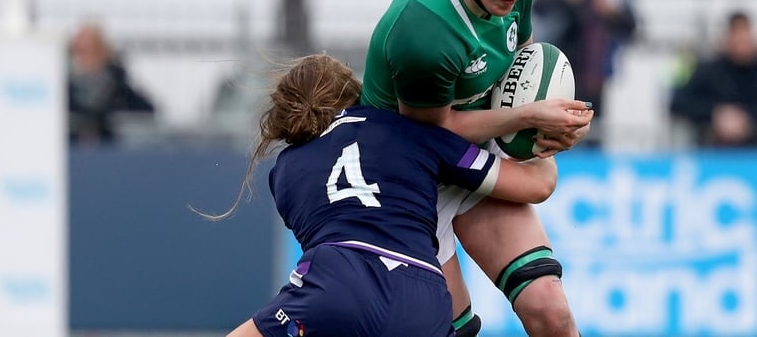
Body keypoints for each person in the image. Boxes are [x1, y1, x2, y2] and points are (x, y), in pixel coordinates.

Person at [361, 0, 593, 336]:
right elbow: (433, 128)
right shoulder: (425, 28)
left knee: (550, 309)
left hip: (463, 157)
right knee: (456, 330)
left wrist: (545, 131)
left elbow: (518, 69)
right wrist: (528, 116)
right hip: (407, 181)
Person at [222, 53, 563, 337]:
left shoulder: (284, 170)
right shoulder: (412, 131)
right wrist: (538, 142)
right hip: (422, 292)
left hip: (335, 284)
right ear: (356, 92)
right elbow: (537, 186)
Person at [533, 0, 637, 146]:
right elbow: (540, 7)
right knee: (560, 129)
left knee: (593, 131)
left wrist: (613, 12)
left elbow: (632, 26)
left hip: (597, 76)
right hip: (565, 72)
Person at [669, 10, 757, 147]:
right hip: (712, 150)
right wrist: (716, 115)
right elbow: (678, 103)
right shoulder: (708, 70)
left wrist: (745, 120)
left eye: (745, 35)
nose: (742, 41)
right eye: (737, 34)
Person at [68, 22, 155, 144]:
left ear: (103, 52)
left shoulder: (119, 90)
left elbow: (147, 113)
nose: (84, 58)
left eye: (91, 50)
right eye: (79, 51)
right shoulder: (63, 92)